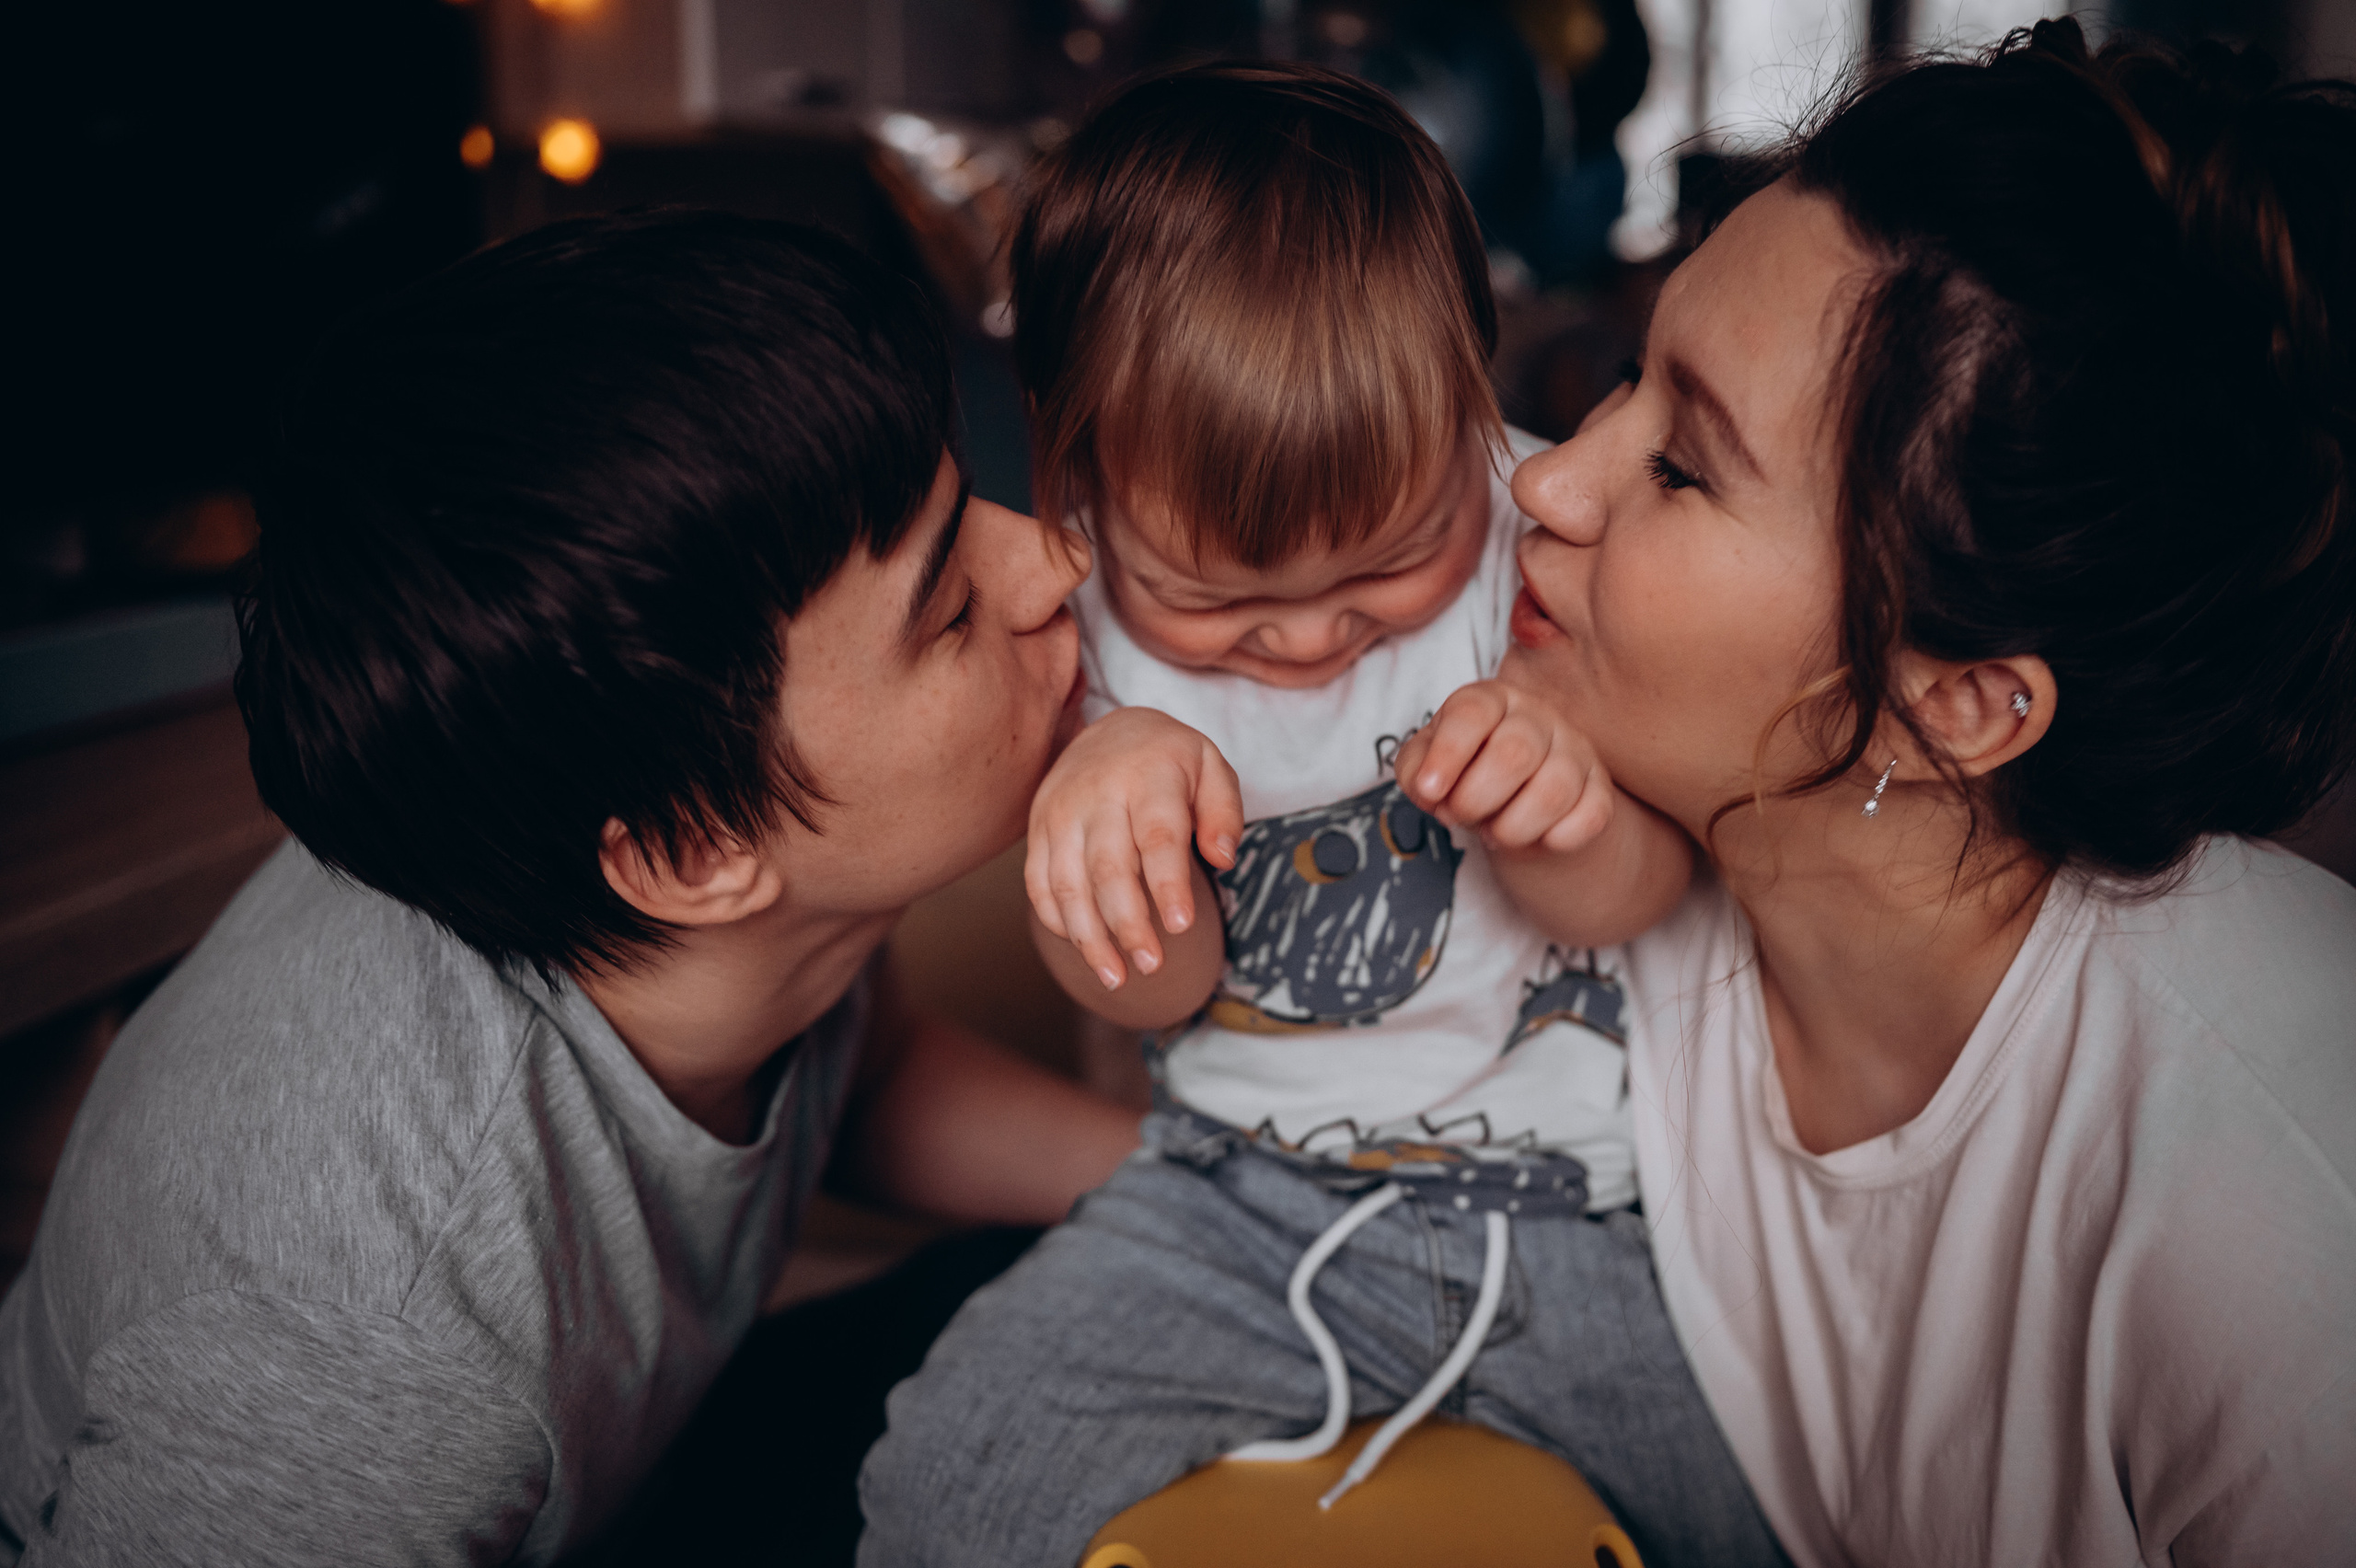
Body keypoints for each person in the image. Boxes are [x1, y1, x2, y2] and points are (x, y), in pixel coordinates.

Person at [0, 212, 1140, 1565]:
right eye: (947, 609)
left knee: (1152, 1305)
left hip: (618, 1473)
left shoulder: (725, 893)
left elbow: (861, 1070)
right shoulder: (370, 1352)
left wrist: (1216, 1195)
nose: (1056, 562)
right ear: (690, 854)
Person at [858, 65, 1785, 1568]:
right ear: (1076, 477)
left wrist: (1568, 827)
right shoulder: (1080, 634)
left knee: (1760, 1522)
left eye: (1390, 565)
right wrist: (1095, 831)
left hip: (1585, 1225)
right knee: (949, 1477)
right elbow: (1161, 992)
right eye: (1213, 599)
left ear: (1468, 409)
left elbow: (1645, 900)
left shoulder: (1538, 542)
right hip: (1232, 1205)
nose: (1307, 643)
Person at [1503, 20, 2356, 1564]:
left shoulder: (2280, 1216)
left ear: (1955, 703)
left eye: (1683, 467)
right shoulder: (1613, 756)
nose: (1545, 483)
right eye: (1631, 372)